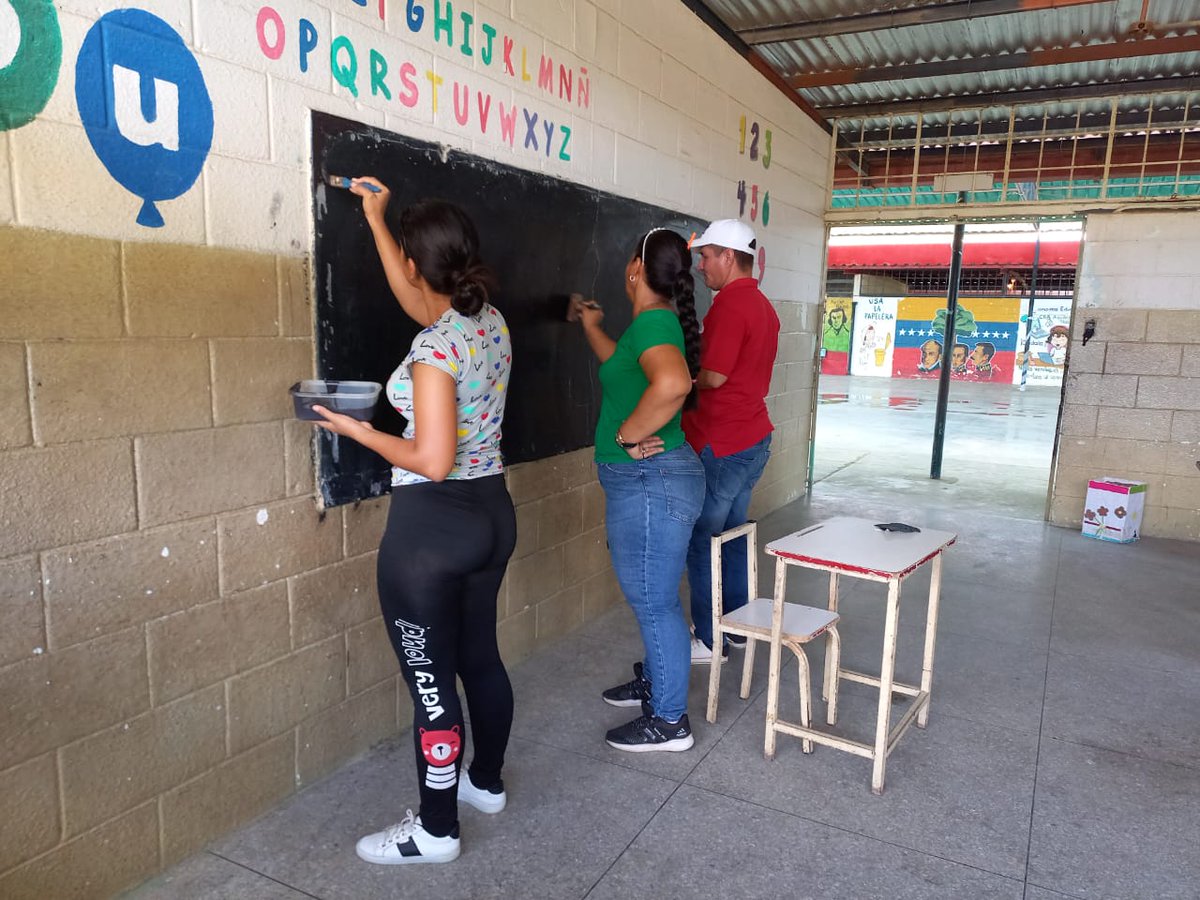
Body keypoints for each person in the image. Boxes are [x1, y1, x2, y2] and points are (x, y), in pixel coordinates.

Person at [312, 179, 515, 865]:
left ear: (414, 264)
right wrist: (377, 220)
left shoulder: (433, 357)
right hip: (491, 512)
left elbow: (431, 459)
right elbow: (418, 301)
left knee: (431, 686)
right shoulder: (482, 319)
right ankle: (483, 784)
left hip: (431, 532)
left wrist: (355, 430)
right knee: (480, 659)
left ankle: (435, 830)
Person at [572, 227, 705, 752]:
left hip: (654, 481)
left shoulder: (652, 324)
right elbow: (622, 370)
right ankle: (657, 684)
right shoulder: (654, 325)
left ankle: (670, 721)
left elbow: (673, 383)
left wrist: (629, 434)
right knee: (654, 599)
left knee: (655, 603)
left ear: (635, 270)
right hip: (655, 482)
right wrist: (591, 327)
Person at [682, 219, 780, 662]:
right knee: (735, 534)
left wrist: (679, 380)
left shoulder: (730, 307)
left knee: (704, 539)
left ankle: (709, 638)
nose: (700, 265)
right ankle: (736, 627)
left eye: (705, 256)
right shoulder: (763, 305)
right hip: (751, 437)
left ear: (728, 256)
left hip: (721, 443)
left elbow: (715, 376)